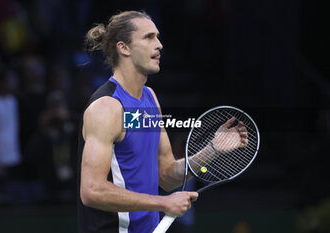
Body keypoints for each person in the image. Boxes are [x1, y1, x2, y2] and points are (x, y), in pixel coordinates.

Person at [77, 10, 248, 233]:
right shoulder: (106, 108)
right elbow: (91, 191)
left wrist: (212, 149)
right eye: (148, 37)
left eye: (157, 36)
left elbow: (167, 175)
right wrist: (163, 203)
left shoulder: (150, 98)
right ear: (124, 47)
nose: (159, 45)